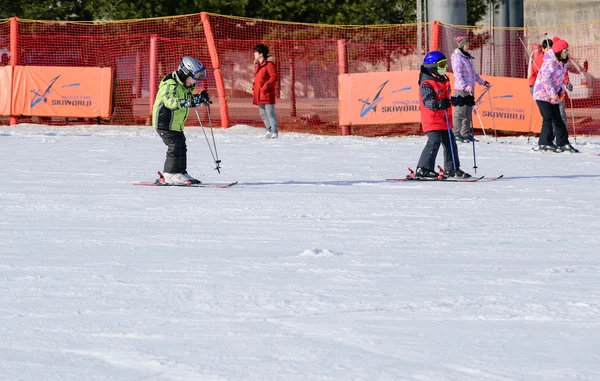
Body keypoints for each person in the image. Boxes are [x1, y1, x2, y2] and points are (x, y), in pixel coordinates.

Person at [413, 51, 473, 179]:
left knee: (450, 142)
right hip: (432, 120)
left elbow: (446, 100)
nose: (445, 67)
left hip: (444, 120)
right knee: (434, 141)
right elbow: (428, 101)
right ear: (432, 66)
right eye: (441, 65)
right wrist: (438, 103)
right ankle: (423, 168)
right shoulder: (427, 84)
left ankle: (451, 169)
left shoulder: (442, 80)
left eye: (445, 64)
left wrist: (462, 101)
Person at [152, 56, 211, 185]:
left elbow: (187, 100)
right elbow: (170, 102)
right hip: (165, 122)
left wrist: (200, 98)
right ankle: (170, 174)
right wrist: (188, 101)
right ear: (185, 73)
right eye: (194, 77)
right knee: (174, 146)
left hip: (176, 123)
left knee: (181, 145)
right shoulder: (170, 84)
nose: (195, 82)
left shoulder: (185, 84)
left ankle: (180, 172)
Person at [533, 37, 578, 153]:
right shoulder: (550, 63)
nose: (566, 53)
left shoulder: (562, 63)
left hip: (553, 94)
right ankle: (545, 142)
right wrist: (553, 94)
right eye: (564, 51)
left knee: (558, 118)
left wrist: (562, 92)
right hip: (542, 94)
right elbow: (545, 80)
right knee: (547, 117)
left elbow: (559, 79)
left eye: (567, 51)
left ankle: (563, 142)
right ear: (558, 52)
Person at [450, 36, 491, 143]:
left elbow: (473, 74)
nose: (468, 46)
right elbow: (458, 74)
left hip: (470, 89)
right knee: (460, 111)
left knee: (468, 112)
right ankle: (456, 133)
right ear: (462, 45)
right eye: (467, 44)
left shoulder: (466, 57)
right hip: (462, 89)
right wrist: (464, 86)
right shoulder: (457, 57)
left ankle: (465, 133)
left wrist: (482, 82)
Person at [529, 39, 572, 136]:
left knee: (559, 114)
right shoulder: (543, 60)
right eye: (548, 48)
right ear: (543, 49)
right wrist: (533, 85)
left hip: (556, 91)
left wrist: (566, 82)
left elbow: (562, 75)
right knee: (548, 117)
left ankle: (561, 138)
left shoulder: (560, 61)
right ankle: (548, 139)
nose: (550, 50)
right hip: (545, 92)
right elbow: (537, 76)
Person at [252, 44, 279, 139]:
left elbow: (274, 77)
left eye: (256, 52)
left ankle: (274, 131)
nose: (254, 53)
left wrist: (266, 87)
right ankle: (268, 129)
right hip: (259, 93)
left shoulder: (269, 64)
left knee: (270, 113)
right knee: (263, 113)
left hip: (266, 93)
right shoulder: (258, 65)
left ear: (261, 54)